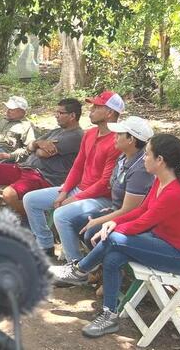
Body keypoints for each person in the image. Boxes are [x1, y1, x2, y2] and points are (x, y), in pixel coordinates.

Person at [50, 133, 180, 339]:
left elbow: (144, 223)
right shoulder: (161, 181)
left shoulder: (174, 192)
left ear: (160, 160)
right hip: (162, 243)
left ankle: (80, 270)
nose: (144, 158)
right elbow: (142, 211)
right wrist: (113, 222)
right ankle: (109, 315)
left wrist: (112, 230)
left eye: (148, 154)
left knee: (114, 239)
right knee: (113, 257)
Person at [22, 90, 124, 259]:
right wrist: (64, 192)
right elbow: (77, 166)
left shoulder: (117, 141)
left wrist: (75, 198)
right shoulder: (90, 134)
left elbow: (105, 182)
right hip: (79, 189)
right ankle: (45, 245)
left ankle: (76, 265)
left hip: (101, 197)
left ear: (110, 112)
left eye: (97, 106)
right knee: (31, 199)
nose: (91, 110)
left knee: (61, 214)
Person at [52, 116, 154, 263]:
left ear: (131, 139)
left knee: (91, 231)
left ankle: (91, 268)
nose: (115, 137)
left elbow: (129, 210)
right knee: (77, 221)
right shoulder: (123, 158)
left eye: (119, 134)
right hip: (114, 208)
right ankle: (82, 265)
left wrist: (100, 219)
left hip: (129, 216)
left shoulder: (140, 169)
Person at [0, 98, 84, 216]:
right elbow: (30, 146)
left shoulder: (76, 136)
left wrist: (38, 146)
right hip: (26, 168)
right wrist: (38, 143)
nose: (56, 116)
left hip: (44, 176)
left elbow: (42, 153)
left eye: (60, 113)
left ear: (72, 116)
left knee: (9, 194)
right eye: (56, 112)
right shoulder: (57, 131)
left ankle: (29, 217)